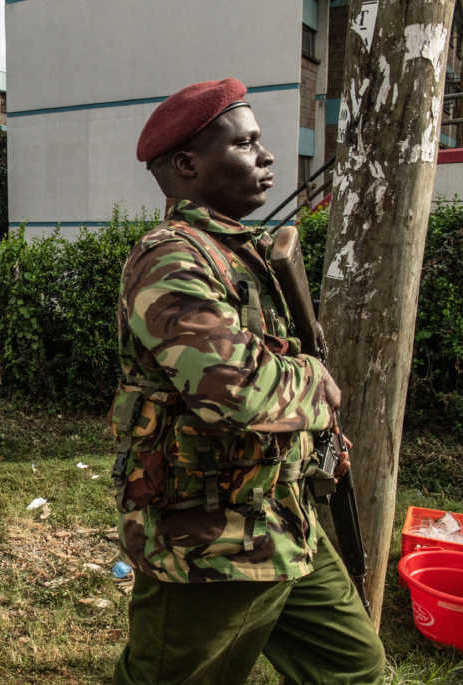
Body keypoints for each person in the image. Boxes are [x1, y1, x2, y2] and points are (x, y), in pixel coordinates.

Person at [110, 78, 384, 684]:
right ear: (186, 164)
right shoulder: (171, 259)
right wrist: (318, 385)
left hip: (281, 521)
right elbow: (234, 388)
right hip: (209, 541)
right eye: (246, 144)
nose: (268, 157)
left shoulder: (237, 252)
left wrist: (317, 442)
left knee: (353, 669)